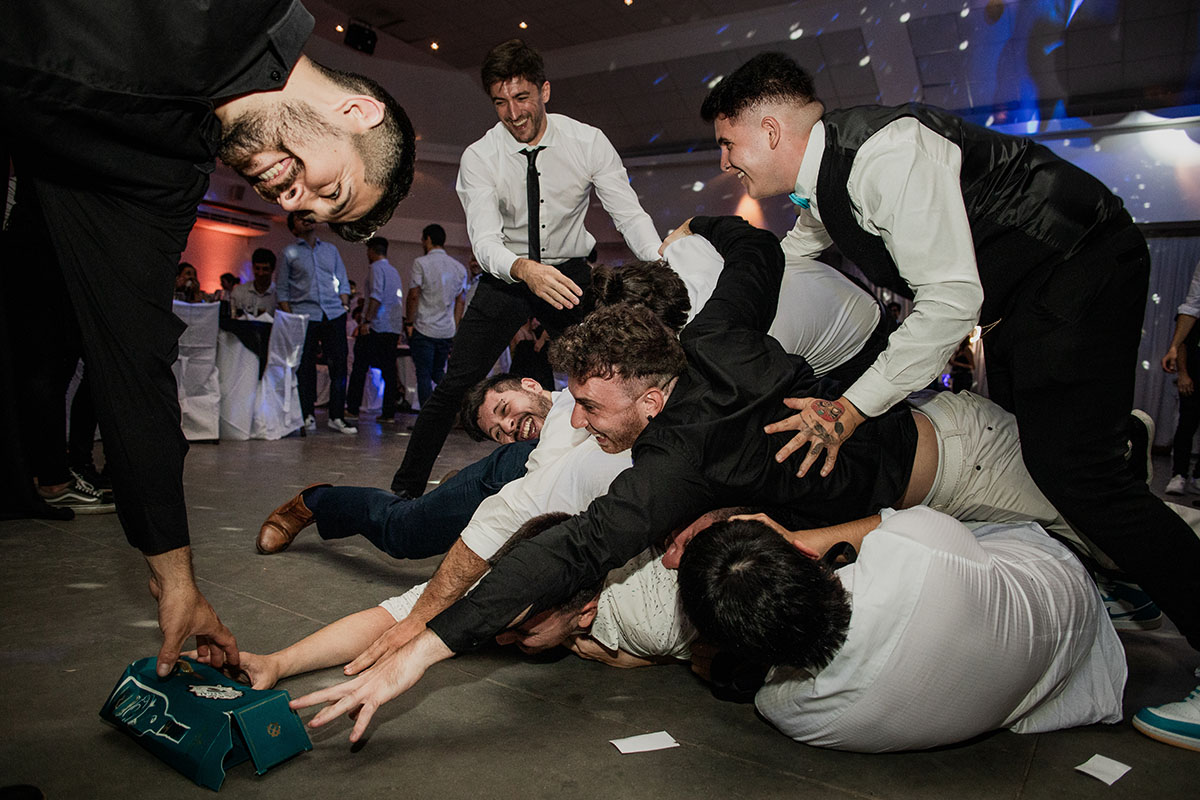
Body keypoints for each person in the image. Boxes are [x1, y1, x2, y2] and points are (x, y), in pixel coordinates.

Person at [288, 216, 1114, 741]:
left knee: (1123, 528)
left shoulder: (675, 458)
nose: (581, 420)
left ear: (649, 393)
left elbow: (569, 552)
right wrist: (706, 221)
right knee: (1082, 556)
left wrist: (426, 649)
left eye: (594, 404)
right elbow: (755, 247)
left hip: (966, 456)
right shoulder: (715, 333)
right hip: (921, 485)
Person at [699, 52, 1200, 744]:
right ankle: (1128, 570)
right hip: (1033, 292)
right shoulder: (825, 188)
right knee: (1038, 453)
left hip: (1082, 261)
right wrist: (697, 253)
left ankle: (1155, 571)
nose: (727, 162)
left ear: (771, 130)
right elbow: (790, 257)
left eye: (729, 143)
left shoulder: (883, 155)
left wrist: (848, 410)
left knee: (1080, 473)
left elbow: (950, 302)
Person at [1, 0, 415, 677]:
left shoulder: (161, 176)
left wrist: (176, 580)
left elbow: (134, 365)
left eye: (310, 212)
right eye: (331, 189)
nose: (291, 204)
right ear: (357, 113)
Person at [389, 38, 662, 498]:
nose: (513, 114)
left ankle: (639, 469)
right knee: (457, 382)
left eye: (522, 98)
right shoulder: (480, 157)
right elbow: (485, 241)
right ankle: (406, 488)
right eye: (500, 102)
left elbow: (629, 216)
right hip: (507, 277)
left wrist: (664, 267)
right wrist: (523, 270)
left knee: (611, 370)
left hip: (570, 275)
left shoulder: (586, 141)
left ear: (545, 92)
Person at [677, 507, 1126, 753]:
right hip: (1061, 582)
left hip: (1051, 683)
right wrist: (792, 536)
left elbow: (767, 684)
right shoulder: (913, 548)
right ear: (804, 554)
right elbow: (888, 525)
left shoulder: (795, 712)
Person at [220, 513, 692, 691]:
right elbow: (392, 619)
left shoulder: (655, 618)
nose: (502, 636)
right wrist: (279, 663)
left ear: (586, 612)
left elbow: (718, 655)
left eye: (524, 629)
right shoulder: (500, 586)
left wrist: (633, 659)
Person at [279, 212, 357, 435]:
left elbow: (342, 280)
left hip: (333, 314)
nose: (307, 219)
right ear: (293, 227)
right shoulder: (289, 252)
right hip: (305, 315)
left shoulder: (330, 249)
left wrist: (343, 305)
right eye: (300, 217)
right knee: (305, 367)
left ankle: (337, 416)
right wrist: (292, 317)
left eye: (309, 215)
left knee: (339, 365)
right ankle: (307, 414)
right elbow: (282, 290)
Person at [405, 224, 469, 407]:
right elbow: (460, 301)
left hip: (424, 327)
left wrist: (409, 322)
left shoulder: (421, 263)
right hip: (446, 330)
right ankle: (452, 408)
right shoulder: (458, 268)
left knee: (424, 374)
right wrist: (455, 328)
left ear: (427, 239)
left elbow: (414, 295)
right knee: (438, 372)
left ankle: (427, 419)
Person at [346, 236, 406, 423]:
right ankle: (388, 412)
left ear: (371, 251)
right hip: (392, 328)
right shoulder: (394, 271)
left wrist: (366, 321)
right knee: (389, 371)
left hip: (377, 327)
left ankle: (353, 408)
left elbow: (376, 296)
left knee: (359, 368)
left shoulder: (375, 269)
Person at [1161, 259, 1200, 496]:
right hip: (1195, 375)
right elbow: (1192, 305)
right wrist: (1174, 347)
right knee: (1187, 424)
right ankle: (1179, 474)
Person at [230, 249, 277, 318]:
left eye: (265, 269)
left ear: (272, 270)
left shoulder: (278, 295)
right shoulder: (238, 292)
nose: (260, 273)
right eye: (257, 268)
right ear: (253, 267)